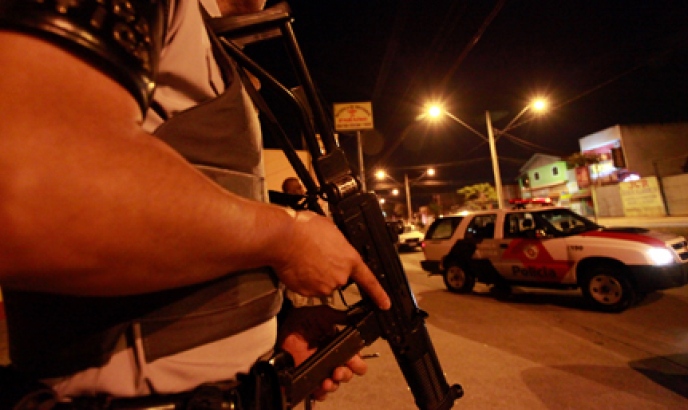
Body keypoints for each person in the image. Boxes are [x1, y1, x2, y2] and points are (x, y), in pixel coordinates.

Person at [0, 0, 390, 407]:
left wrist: (274, 327)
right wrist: (288, 238)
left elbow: (193, 216)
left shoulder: (208, 42)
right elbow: (27, 192)